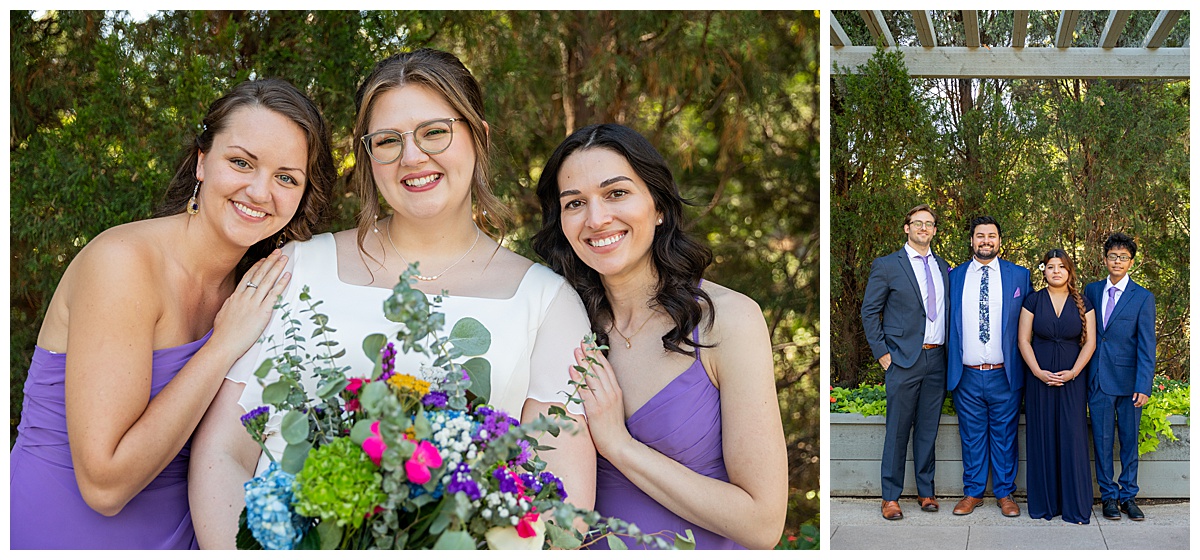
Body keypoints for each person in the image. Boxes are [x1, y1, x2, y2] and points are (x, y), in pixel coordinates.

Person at [188, 48, 596, 548]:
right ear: (367, 157)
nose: (412, 157)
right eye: (387, 141)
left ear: (479, 138)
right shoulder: (295, 268)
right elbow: (223, 452)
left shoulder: (547, 303)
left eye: (434, 132)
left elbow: (563, 507)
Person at [9, 78, 337, 549]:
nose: (261, 192)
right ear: (202, 161)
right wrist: (223, 344)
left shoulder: (255, 286)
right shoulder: (123, 263)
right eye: (241, 162)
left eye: (287, 177)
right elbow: (104, 486)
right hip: (60, 534)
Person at [532, 123, 787, 549]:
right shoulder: (557, 324)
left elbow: (762, 525)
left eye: (616, 193)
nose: (597, 219)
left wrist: (619, 446)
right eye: (575, 203)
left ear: (659, 206)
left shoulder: (727, 320)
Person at [860, 203, 950, 521]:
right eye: (918, 223)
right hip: (903, 360)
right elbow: (870, 311)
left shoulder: (943, 266)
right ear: (907, 228)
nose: (923, 228)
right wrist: (884, 355)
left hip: (937, 358)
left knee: (928, 430)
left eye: (929, 223)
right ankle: (890, 497)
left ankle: (926, 492)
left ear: (935, 230)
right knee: (897, 430)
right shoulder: (887, 265)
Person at [945, 215, 1031, 517]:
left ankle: (1006, 494)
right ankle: (973, 492)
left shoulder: (1020, 276)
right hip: (966, 373)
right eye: (980, 236)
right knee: (971, 435)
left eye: (991, 236)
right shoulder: (954, 277)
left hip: (1004, 373)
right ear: (971, 240)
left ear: (999, 241)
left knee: (1005, 434)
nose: (985, 241)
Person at [1017, 249, 1096, 524]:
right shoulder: (1033, 300)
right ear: (1044, 271)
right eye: (1050, 266)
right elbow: (1023, 340)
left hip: (1073, 381)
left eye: (1061, 266)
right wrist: (1037, 371)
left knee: (1072, 438)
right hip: (1039, 379)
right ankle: (1045, 505)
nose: (1056, 271)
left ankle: (1074, 506)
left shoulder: (1083, 302)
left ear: (1069, 270)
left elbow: (1090, 342)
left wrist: (1074, 372)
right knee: (1042, 436)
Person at [1085, 232, 1156, 521]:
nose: (1117, 261)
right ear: (1105, 259)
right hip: (1098, 379)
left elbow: (1147, 344)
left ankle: (1128, 496)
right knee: (1101, 441)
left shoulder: (1142, 297)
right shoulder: (1091, 290)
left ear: (1131, 262)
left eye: (1123, 257)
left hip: (1129, 384)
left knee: (1129, 441)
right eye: (1113, 256)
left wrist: (1143, 384)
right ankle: (1109, 497)